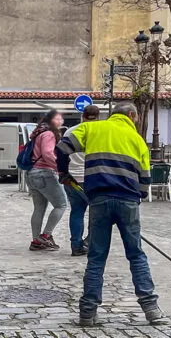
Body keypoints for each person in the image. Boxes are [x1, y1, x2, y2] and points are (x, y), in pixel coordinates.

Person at [57, 102, 167, 326]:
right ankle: (151, 309)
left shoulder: (93, 129)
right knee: (136, 255)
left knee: (97, 257)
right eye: (135, 118)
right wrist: (139, 199)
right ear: (130, 115)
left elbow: (62, 147)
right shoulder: (137, 140)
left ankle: (87, 313)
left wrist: (63, 171)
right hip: (128, 201)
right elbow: (145, 178)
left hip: (99, 200)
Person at [57, 105, 100, 256]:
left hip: (72, 177)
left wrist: (62, 172)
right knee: (97, 212)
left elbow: (60, 151)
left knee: (77, 211)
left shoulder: (71, 131)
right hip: (93, 177)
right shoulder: (101, 132)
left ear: (83, 116)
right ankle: (89, 242)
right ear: (98, 116)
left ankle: (76, 245)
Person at [27, 110, 67, 251]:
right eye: (58, 119)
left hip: (32, 173)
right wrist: (59, 167)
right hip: (45, 173)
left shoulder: (37, 133)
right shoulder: (49, 134)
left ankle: (36, 240)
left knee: (39, 208)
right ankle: (45, 236)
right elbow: (47, 153)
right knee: (61, 204)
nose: (60, 121)